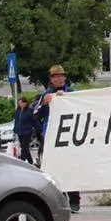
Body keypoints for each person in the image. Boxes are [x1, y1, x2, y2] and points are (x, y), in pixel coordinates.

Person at [31, 65, 81, 212]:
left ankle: (75, 200)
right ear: (51, 79)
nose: (59, 78)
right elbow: (34, 115)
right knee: (54, 169)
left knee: (71, 167)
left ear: (65, 78)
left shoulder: (73, 93)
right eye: (56, 76)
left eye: (61, 76)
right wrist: (43, 104)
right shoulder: (46, 95)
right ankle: (61, 198)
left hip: (70, 136)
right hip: (52, 138)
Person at [12, 97, 35, 164]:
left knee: (24, 147)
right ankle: (31, 162)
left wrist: (35, 128)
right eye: (19, 103)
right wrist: (15, 129)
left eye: (22, 103)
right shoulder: (18, 111)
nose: (20, 104)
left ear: (25, 103)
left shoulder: (30, 111)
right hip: (19, 131)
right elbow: (16, 120)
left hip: (27, 131)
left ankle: (22, 162)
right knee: (24, 147)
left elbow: (34, 120)